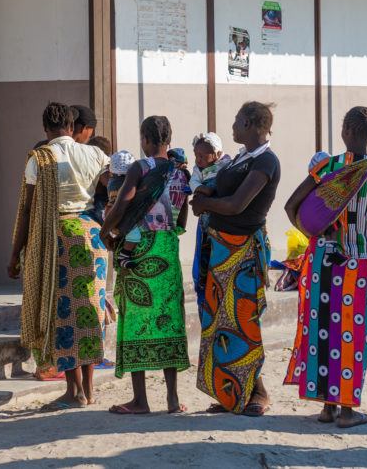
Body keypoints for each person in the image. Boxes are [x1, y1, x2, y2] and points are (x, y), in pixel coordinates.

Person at [282, 107, 367, 428]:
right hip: (358, 264)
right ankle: (347, 410)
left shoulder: (326, 167)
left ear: (345, 131)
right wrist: (359, 241)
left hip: (320, 260)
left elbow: (292, 207)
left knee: (320, 330)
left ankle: (327, 407)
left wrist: (317, 234)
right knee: (351, 333)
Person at [8, 102, 110, 410]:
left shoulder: (40, 158)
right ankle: (89, 390)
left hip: (59, 239)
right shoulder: (94, 154)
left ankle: (73, 391)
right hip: (93, 236)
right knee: (90, 312)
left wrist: (15, 253)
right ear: (72, 126)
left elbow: (26, 209)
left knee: (62, 313)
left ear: (45, 129)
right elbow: (114, 183)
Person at [192, 102, 281, 416]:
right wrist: (204, 195)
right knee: (221, 324)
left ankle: (259, 393)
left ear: (249, 122)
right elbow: (218, 190)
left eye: (236, 120)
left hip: (243, 250)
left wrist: (205, 204)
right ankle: (233, 394)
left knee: (244, 321)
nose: (232, 125)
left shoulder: (266, 161)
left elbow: (237, 204)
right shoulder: (243, 157)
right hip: (222, 249)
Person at [102, 116, 191, 415]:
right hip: (168, 249)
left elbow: (123, 203)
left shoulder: (142, 168)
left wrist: (107, 230)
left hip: (140, 251)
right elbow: (182, 220)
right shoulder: (181, 173)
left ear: (145, 139)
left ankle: (140, 400)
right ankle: (173, 399)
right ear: (169, 137)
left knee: (136, 319)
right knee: (168, 317)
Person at [189, 132, 231, 314]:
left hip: (222, 221)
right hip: (206, 219)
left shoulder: (225, 165)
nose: (198, 159)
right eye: (196, 155)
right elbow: (193, 184)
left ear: (216, 155)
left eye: (202, 156)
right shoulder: (198, 171)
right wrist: (203, 190)